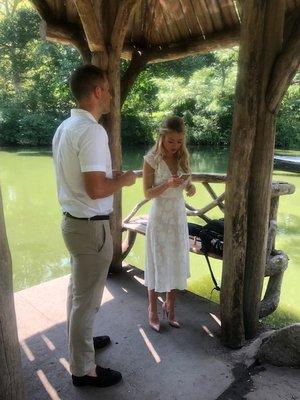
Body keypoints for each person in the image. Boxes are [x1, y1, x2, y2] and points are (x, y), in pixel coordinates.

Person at [52, 64, 136, 387]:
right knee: (86, 300)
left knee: (78, 292)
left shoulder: (65, 128)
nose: (112, 95)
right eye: (109, 90)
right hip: (90, 229)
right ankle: (83, 370)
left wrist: (108, 180)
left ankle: (80, 345)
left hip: (73, 224)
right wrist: (125, 180)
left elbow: (81, 181)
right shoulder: (92, 131)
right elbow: (95, 189)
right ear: (98, 92)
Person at [143, 116, 196, 332]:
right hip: (159, 218)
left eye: (179, 141)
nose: (175, 146)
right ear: (162, 137)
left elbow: (188, 185)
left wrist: (190, 189)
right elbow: (147, 194)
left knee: (176, 260)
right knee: (157, 261)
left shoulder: (182, 158)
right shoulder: (151, 159)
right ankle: (152, 310)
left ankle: (170, 307)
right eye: (171, 141)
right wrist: (166, 184)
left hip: (177, 217)